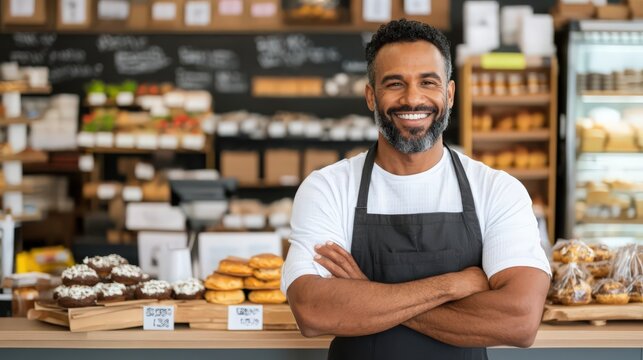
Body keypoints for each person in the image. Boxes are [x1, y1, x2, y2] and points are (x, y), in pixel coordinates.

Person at [281, 19, 551, 360]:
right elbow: (313, 311)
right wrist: (450, 286)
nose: (412, 98)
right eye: (395, 83)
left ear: (449, 94)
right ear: (370, 96)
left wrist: (365, 294)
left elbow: (520, 320)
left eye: (428, 82)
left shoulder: (497, 190)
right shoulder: (328, 188)